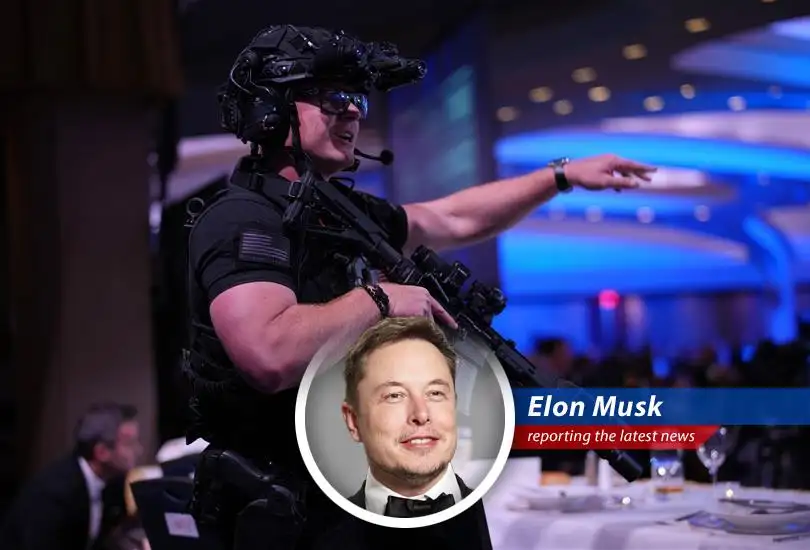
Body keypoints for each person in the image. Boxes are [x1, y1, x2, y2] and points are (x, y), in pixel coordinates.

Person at [181, 24, 655, 550]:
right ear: (272, 110)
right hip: (295, 509)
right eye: (334, 98)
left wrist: (559, 176)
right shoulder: (243, 218)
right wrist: (380, 300)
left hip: (363, 487)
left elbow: (451, 218)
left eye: (358, 99)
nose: (354, 112)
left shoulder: (338, 212)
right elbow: (268, 353)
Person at [341, 317, 470, 517]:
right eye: (394, 396)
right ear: (353, 421)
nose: (421, 414)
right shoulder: (313, 532)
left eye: (435, 393)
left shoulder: (509, 518)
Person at [0, 403, 143, 550]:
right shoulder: (53, 493)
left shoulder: (114, 482)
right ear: (101, 452)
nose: (139, 450)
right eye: (130, 444)